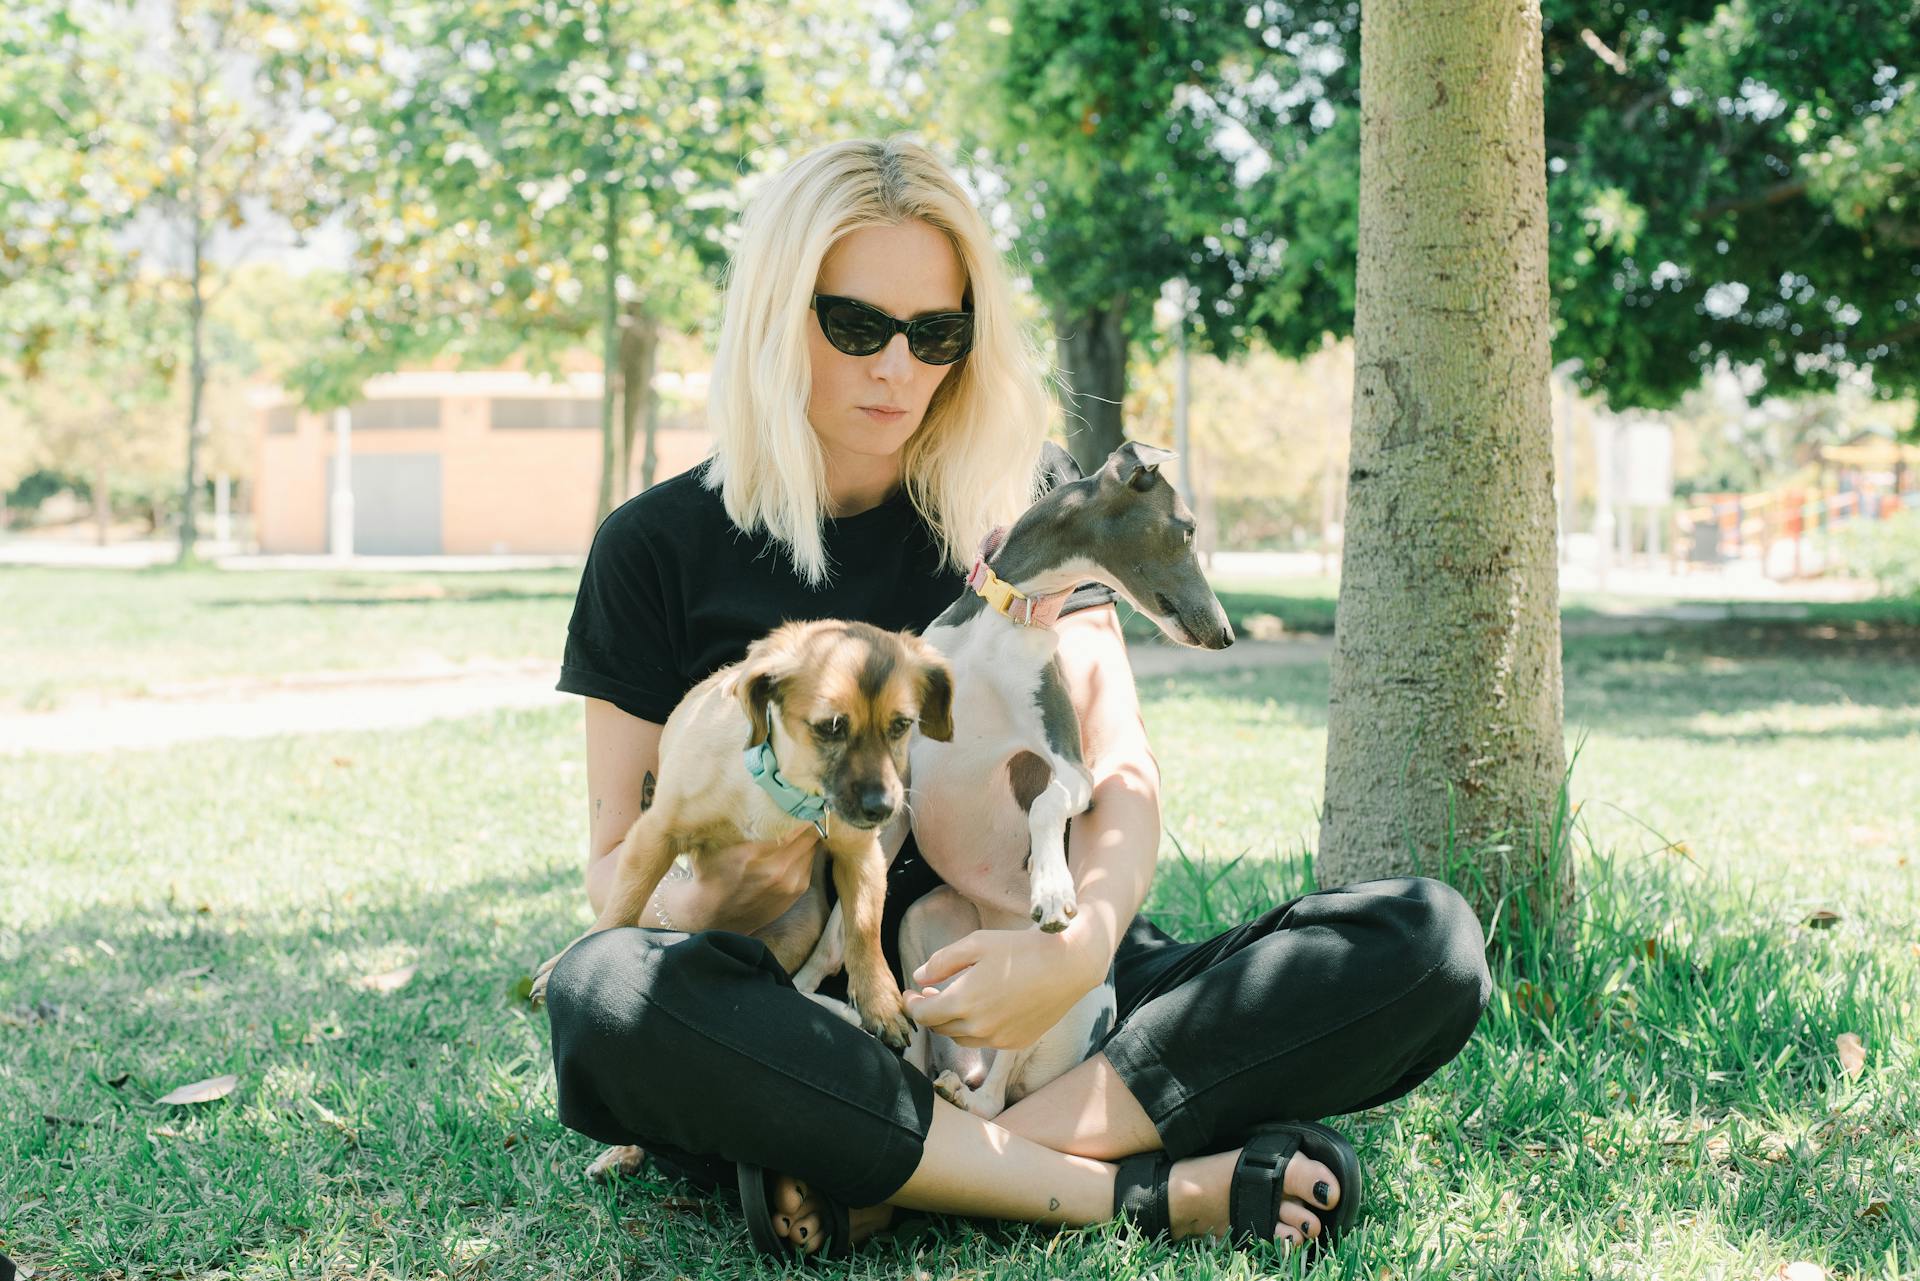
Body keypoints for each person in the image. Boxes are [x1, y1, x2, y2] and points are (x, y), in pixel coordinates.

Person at [544, 136, 1492, 1261]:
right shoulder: (653, 549)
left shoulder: (1024, 502)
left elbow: (1120, 763)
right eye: (854, 326)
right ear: (770, 313)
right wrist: (736, 888)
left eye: (937, 334)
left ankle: (898, 1178)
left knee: (1424, 943)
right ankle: (1136, 1188)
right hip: (813, 1006)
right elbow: (618, 873)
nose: (896, 367)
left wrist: (1078, 951)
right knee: (603, 996)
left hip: (1046, 984)